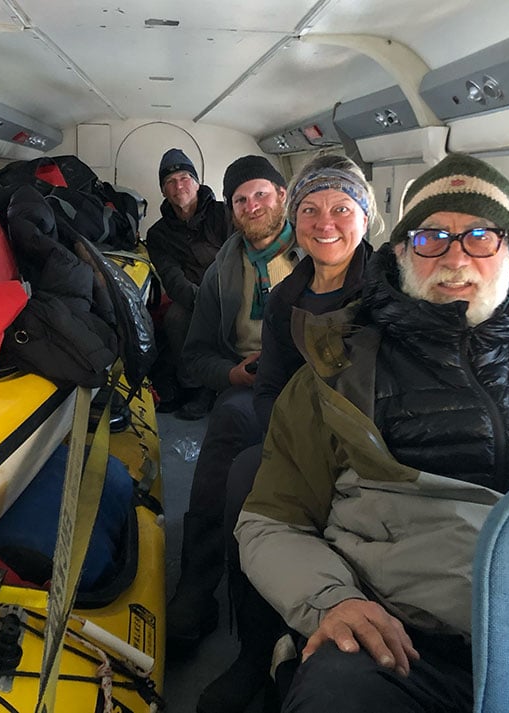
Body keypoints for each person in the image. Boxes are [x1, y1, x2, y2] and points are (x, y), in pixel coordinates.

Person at [236, 152, 509, 713]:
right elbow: (270, 520)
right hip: (399, 637)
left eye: (480, 236)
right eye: (433, 238)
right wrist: (333, 603)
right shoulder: (338, 371)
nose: (456, 258)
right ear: (403, 252)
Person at [196, 155, 379, 713]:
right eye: (312, 209)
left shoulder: (390, 292)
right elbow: (271, 387)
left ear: (365, 218)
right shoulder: (284, 300)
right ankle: (252, 649)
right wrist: (297, 445)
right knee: (249, 475)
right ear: (297, 218)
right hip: (300, 432)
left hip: (373, 437)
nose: (326, 222)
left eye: (342, 208)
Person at [168, 154, 299, 650]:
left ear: (282, 195)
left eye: (261, 194)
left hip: (314, 387)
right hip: (250, 386)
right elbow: (194, 356)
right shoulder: (224, 269)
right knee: (228, 429)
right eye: (240, 199)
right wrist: (230, 374)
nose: (252, 206)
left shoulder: (319, 252)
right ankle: (198, 587)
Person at [145, 148, 230, 418]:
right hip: (192, 296)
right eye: (170, 182)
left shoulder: (224, 214)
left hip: (230, 289)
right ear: (163, 191)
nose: (178, 186)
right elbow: (171, 276)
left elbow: (240, 257)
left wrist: (227, 297)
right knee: (175, 319)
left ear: (196, 182)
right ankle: (197, 387)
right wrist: (202, 302)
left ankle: (234, 380)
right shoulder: (157, 233)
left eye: (184, 178)